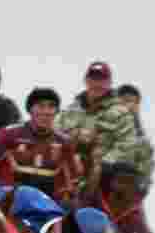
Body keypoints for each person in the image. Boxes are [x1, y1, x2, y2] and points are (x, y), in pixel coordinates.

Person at [0, 88, 83, 204]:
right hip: (10, 203)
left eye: (51, 107)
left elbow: (73, 182)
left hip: (49, 206)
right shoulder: (8, 134)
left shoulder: (64, 142)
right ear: (30, 110)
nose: (46, 111)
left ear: (56, 112)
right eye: (40, 106)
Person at [56, 62, 150, 195]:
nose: (97, 84)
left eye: (102, 80)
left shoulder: (121, 113)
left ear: (110, 83)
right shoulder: (70, 111)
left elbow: (127, 145)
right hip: (68, 171)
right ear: (86, 81)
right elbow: (55, 136)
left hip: (103, 176)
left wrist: (103, 164)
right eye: (93, 79)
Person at [116, 83, 155, 192]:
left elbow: (146, 174)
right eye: (124, 101)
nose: (129, 106)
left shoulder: (142, 140)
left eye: (132, 102)